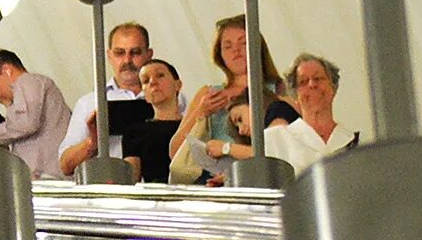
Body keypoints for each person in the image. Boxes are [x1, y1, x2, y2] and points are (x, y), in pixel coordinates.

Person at [170, 14, 295, 184]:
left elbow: (295, 142)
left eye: (243, 43)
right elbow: (175, 151)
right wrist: (201, 112)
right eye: (227, 46)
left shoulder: (279, 90)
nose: (236, 51)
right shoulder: (208, 94)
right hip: (213, 180)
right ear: (219, 54)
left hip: (260, 176)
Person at [58, 21, 155, 177]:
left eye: (135, 52)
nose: (127, 60)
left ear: (149, 54)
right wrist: (93, 142)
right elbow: (65, 165)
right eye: (119, 53)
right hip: (108, 193)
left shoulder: (171, 99)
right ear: (109, 56)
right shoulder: (89, 103)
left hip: (159, 192)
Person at [264, 53, 359, 174]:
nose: (312, 84)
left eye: (318, 78)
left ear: (333, 88)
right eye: (303, 82)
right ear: (295, 96)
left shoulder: (357, 143)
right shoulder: (274, 139)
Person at [0, 49, 71, 179]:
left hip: (48, 177)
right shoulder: (34, 87)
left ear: (6, 69)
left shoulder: (27, 81)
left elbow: (26, 123)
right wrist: (8, 105)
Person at [122, 57, 185, 185]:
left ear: (177, 85)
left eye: (160, 75)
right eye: (145, 80)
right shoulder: (134, 133)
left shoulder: (196, 126)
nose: (153, 82)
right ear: (144, 93)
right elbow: (131, 180)